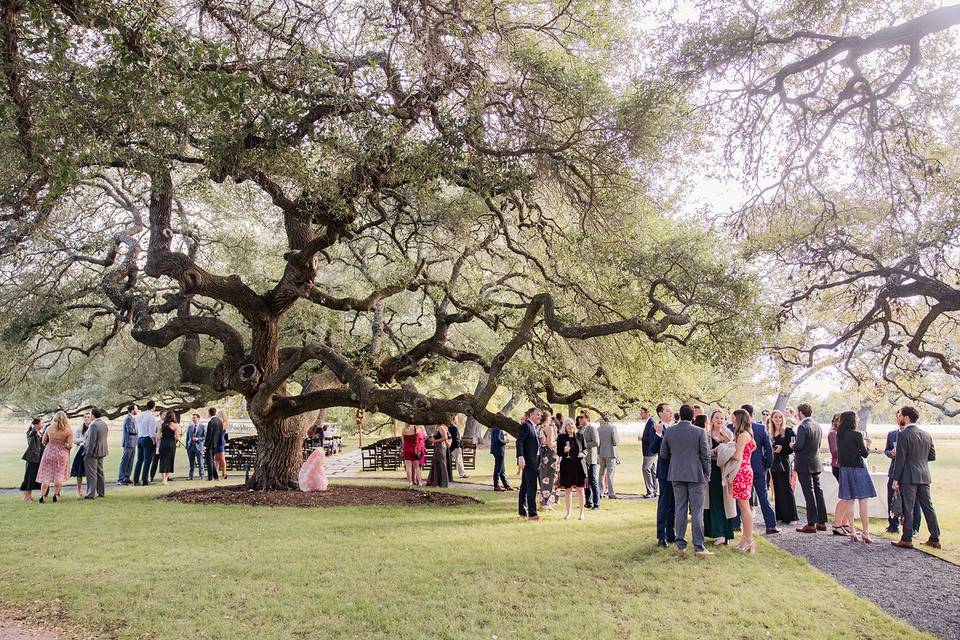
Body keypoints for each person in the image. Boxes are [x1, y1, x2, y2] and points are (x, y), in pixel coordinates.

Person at [660, 404, 712, 557]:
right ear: (693, 417)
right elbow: (706, 455)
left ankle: (681, 545)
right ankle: (699, 547)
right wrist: (707, 473)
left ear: (680, 416)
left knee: (680, 509)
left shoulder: (670, 431)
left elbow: (663, 453)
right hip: (696, 475)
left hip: (676, 474)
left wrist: (676, 460)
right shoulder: (700, 432)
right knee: (697, 512)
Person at [891, 406, 941, 550]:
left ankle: (906, 539)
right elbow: (932, 456)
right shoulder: (926, 434)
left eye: (900, 415)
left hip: (908, 476)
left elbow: (900, 460)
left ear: (906, 417)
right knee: (928, 507)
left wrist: (895, 479)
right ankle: (935, 537)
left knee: (908, 507)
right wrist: (919, 460)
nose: (899, 418)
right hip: (924, 475)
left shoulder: (903, 434)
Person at [835, 411, 875, 543]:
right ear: (853, 420)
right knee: (863, 501)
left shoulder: (838, 435)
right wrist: (868, 444)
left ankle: (852, 531)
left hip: (845, 470)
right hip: (858, 469)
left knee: (849, 501)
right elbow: (864, 454)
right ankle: (865, 532)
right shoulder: (857, 434)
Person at [741, 404, 779, 534]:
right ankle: (771, 525)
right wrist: (767, 464)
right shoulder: (760, 428)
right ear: (752, 414)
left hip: (743, 467)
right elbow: (769, 449)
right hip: (758, 467)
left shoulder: (737, 428)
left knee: (741, 497)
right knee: (763, 496)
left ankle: (736, 524)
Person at [794, 402, 828, 532]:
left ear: (801, 413)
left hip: (804, 463)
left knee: (809, 492)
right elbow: (818, 445)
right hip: (815, 461)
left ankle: (811, 523)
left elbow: (799, 446)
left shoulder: (803, 426)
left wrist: (793, 446)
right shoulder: (817, 425)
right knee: (818, 491)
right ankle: (822, 521)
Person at [703, 409, 735, 545]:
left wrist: (726, 442)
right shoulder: (706, 434)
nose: (719, 420)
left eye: (722, 418)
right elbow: (704, 452)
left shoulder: (728, 434)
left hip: (724, 471)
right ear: (712, 419)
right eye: (717, 418)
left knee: (724, 502)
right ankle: (716, 532)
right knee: (713, 501)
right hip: (712, 471)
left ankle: (724, 534)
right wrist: (716, 450)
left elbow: (733, 449)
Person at [729, 409, 757, 553]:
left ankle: (749, 540)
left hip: (741, 471)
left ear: (739, 420)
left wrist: (725, 450)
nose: (732, 421)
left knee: (744, 507)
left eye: (734, 419)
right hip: (746, 469)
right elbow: (753, 447)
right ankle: (745, 538)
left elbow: (737, 456)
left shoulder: (742, 436)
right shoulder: (748, 435)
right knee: (743, 506)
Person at [36, 411, 74, 503]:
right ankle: (56, 495)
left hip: (49, 453)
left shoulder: (49, 428)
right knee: (59, 475)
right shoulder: (68, 430)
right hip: (61, 454)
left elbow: (43, 441)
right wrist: (63, 445)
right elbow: (70, 445)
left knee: (46, 475)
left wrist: (51, 443)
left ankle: (42, 495)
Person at [768, 410, 798, 524]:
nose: (778, 419)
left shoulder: (788, 431)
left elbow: (792, 446)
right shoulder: (770, 433)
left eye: (780, 417)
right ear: (772, 419)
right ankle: (780, 515)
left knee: (786, 486)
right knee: (777, 488)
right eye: (775, 417)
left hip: (784, 461)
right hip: (774, 461)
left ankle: (792, 516)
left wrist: (783, 448)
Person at [556, 417, 587, 520]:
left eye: (572, 424)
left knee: (580, 489)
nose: (570, 426)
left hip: (578, 466)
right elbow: (558, 452)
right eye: (568, 424)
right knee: (568, 490)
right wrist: (564, 450)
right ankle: (568, 512)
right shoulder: (561, 437)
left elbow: (586, 449)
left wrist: (583, 453)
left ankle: (582, 513)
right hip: (566, 466)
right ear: (565, 427)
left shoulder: (580, 435)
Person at [654, 403, 676, 547]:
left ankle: (671, 533)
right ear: (660, 413)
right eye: (667, 411)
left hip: (676, 471)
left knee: (674, 504)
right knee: (664, 503)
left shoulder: (675, 429)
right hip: (664, 471)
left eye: (671, 410)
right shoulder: (655, 428)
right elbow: (653, 448)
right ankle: (661, 536)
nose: (670, 413)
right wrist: (658, 434)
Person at [516, 407, 542, 520]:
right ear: (530, 415)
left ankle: (522, 512)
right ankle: (532, 514)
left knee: (525, 486)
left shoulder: (535, 428)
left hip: (534, 460)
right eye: (537, 414)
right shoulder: (526, 425)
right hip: (529, 461)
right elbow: (519, 441)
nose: (539, 417)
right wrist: (520, 457)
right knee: (531, 487)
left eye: (540, 415)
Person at [83, 408, 109, 499]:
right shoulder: (104, 424)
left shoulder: (93, 425)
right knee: (100, 472)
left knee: (91, 473)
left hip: (93, 452)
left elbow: (91, 441)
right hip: (102, 450)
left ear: (93, 415)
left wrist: (88, 452)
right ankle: (101, 492)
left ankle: (90, 494)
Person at [134, 400, 158, 486]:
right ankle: (145, 480)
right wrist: (154, 440)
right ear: (154, 407)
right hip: (147, 439)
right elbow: (152, 432)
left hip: (140, 438)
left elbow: (136, 428)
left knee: (139, 460)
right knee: (147, 461)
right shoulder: (151, 417)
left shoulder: (140, 415)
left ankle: (136, 480)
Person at [883, 422, 901, 534]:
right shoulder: (892, 434)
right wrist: (891, 453)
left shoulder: (911, 434)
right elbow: (886, 450)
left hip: (907, 472)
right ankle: (892, 524)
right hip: (893, 470)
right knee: (891, 498)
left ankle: (913, 527)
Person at [538, 412, 559, 509]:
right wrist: (557, 441)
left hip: (543, 455)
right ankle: (547, 502)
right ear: (548, 418)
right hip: (550, 455)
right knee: (550, 477)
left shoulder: (539, 427)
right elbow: (551, 444)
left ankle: (544, 500)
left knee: (544, 477)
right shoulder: (549, 428)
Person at [580, 413, 600, 510]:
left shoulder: (592, 428)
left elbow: (596, 442)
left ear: (587, 418)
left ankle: (596, 503)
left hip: (591, 459)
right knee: (585, 481)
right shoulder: (581, 429)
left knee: (592, 481)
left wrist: (584, 445)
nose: (579, 419)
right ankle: (588, 501)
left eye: (581, 417)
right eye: (579, 417)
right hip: (582, 459)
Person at [20, 418, 44, 501]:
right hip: (31, 458)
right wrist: (34, 427)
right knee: (29, 477)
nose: (43, 424)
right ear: (36, 425)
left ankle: (29, 496)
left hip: (38, 459)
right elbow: (31, 434)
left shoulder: (40, 433)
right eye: (42, 423)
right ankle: (26, 496)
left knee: (34, 477)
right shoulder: (31, 432)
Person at [597, 416, 620, 499]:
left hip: (601, 453)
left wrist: (598, 453)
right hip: (611, 453)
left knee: (601, 473)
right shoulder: (612, 428)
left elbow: (598, 443)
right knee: (610, 474)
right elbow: (615, 442)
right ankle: (611, 493)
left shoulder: (599, 429)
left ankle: (600, 491)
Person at [71, 413, 92, 498]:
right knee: (79, 473)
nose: (87, 418)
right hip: (80, 451)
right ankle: (79, 490)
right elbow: (74, 440)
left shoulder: (92, 428)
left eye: (88, 417)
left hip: (89, 451)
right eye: (85, 417)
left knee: (89, 472)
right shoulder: (79, 428)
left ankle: (89, 490)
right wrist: (83, 439)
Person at [157, 410, 180, 484]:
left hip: (163, 444)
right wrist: (176, 439)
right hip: (171, 444)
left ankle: (163, 479)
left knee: (163, 461)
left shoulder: (162, 425)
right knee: (169, 461)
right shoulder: (175, 425)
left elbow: (158, 436)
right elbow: (177, 437)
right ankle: (166, 479)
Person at [639, 408, 658, 498]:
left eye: (642, 413)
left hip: (649, 452)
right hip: (650, 452)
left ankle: (650, 491)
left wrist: (642, 438)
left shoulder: (651, 422)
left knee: (645, 469)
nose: (640, 414)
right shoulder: (649, 422)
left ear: (647, 413)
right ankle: (654, 490)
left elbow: (651, 438)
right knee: (653, 471)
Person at [118, 404, 138, 484]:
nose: (137, 410)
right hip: (128, 443)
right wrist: (138, 431)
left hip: (133, 443)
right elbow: (130, 430)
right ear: (132, 410)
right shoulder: (128, 419)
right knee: (125, 461)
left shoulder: (133, 418)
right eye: (136, 409)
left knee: (130, 461)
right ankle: (121, 479)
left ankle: (127, 477)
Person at [489, 426, 513, 491]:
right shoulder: (498, 427)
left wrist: (503, 434)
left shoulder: (494, 427)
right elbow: (498, 439)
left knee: (502, 469)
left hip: (496, 450)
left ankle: (506, 485)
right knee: (498, 468)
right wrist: (505, 441)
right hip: (499, 450)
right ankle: (496, 486)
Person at [204, 407, 223, 481]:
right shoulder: (219, 421)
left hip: (210, 444)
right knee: (212, 460)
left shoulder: (211, 422)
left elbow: (209, 435)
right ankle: (215, 476)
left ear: (209, 413)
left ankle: (210, 477)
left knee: (209, 461)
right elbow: (221, 434)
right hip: (216, 443)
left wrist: (205, 445)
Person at [185, 413, 205, 480]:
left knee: (200, 462)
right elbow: (187, 437)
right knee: (191, 462)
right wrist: (187, 445)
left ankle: (201, 475)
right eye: (192, 418)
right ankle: (190, 476)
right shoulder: (190, 427)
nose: (193, 419)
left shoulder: (202, 427)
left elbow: (204, 437)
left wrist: (197, 439)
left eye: (194, 418)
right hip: (190, 447)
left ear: (198, 418)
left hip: (198, 446)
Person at [401, 423, 421, 488]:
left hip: (406, 449)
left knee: (408, 467)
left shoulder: (403, 429)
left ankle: (410, 482)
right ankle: (420, 482)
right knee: (417, 467)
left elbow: (403, 442)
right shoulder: (416, 428)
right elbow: (421, 437)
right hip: (414, 449)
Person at [216, 409, 230, 479]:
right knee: (216, 458)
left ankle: (224, 474)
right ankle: (215, 474)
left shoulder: (225, 423)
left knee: (221, 458)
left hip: (221, 441)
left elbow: (221, 430)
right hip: (216, 441)